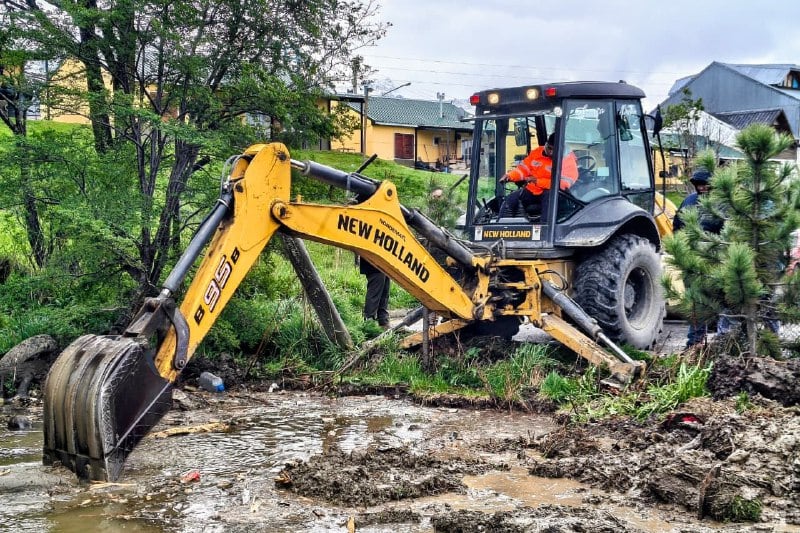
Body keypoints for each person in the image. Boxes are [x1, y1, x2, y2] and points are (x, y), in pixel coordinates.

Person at [672, 168, 723, 347]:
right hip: (693, 259)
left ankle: (721, 342)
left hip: (714, 259)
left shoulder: (721, 204)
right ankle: (695, 343)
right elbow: (677, 226)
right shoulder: (689, 202)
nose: (702, 188)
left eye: (705, 184)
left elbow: (728, 233)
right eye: (699, 184)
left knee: (720, 301)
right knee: (696, 302)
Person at [499, 133, 578, 218]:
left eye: (554, 150)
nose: (550, 152)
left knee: (549, 201)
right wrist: (510, 176)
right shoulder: (537, 153)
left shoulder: (568, 161)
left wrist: (537, 181)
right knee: (510, 200)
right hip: (534, 189)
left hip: (554, 193)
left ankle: (544, 228)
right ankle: (501, 226)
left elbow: (562, 184)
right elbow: (523, 169)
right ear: (546, 144)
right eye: (549, 148)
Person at [359, 256, 391, 329]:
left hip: (383, 261)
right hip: (373, 261)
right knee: (374, 293)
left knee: (384, 293)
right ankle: (369, 322)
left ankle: (383, 321)